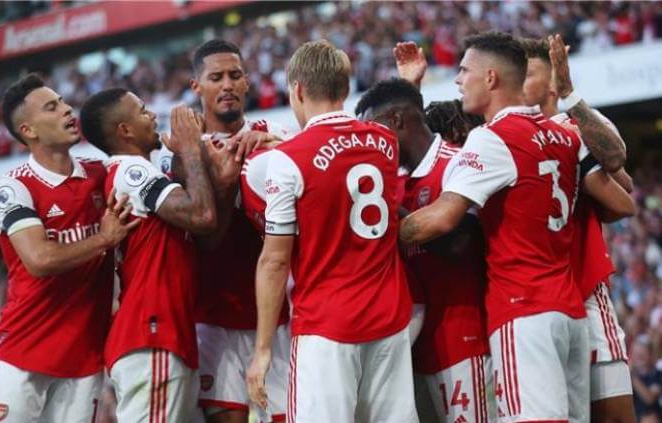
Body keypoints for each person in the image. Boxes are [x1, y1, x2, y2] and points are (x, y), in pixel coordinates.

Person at [400, 31, 607, 422]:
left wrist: (382, 228)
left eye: (465, 71)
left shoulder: (491, 138)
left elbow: (443, 218)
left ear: (491, 78)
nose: (458, 80)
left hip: (523, 312)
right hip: (570, 312)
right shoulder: (563, 134)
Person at [246, 40, 418, 423]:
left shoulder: (288, 159)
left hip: (327, 327)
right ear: (344, 87)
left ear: (298, 90)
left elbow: (274, 261)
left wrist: (262, 350)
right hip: (389, 318)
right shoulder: (385, 141)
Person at [0, 74, 136, 423]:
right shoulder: (15, 186)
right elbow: (39, 259)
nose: (67, 110)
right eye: (52, 107)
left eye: (63, 102)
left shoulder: (101, 174)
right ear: (29, 130)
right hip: (24, 352)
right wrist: (103, 239)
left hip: (84, 359)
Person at [80, 89, 237, 421]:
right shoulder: (131, 171)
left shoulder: (145, 173)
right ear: (125, 131)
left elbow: (206, 236)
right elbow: (202, 215)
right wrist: (191, 148)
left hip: (167, 335)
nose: (152, 115)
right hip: (151, 333)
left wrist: (191, 163)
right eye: (142, 110)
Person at [163, 39, 290, 423]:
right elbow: (207, 239)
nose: (228, 84)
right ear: (196, 86)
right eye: (216, 77)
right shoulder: (184, 152)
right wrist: (226, 180)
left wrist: (272, 144)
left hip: (277, 315)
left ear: (248, 81)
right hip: (212, 316)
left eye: (235, 75)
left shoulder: (273, 132)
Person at [356, 78, 493, 423]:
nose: (370, 142)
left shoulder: (458, 163)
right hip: (414, 352)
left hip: (464, 340)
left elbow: (462, 245)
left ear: (397, 120)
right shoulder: (396, 182)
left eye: (372, 130)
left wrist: (389, 207)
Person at [521, 35, 636, 423]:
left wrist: (570, 95)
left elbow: (624, 183)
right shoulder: (504, 134)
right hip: (532, 298)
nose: (517, 80)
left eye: (528, 73)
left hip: (583, 287)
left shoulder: (577, 122)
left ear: (552, 83)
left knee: (614, 414)